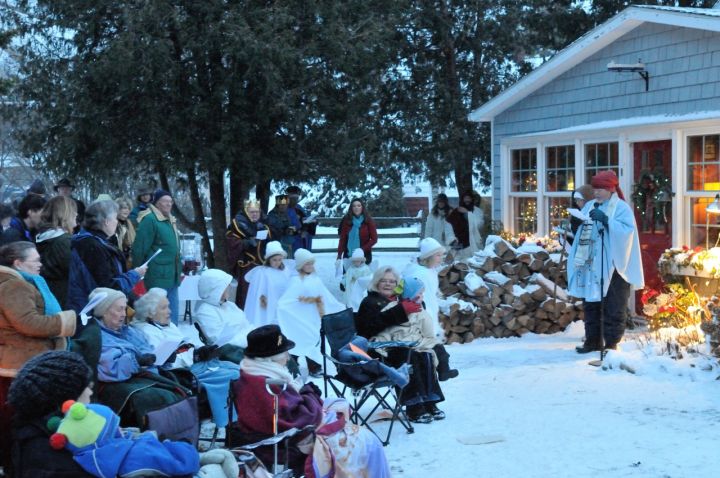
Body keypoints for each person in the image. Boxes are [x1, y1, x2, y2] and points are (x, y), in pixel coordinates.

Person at [7, 350, 201, 478]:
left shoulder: (51, 434)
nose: (91, 393)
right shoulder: (52, 454)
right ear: (67, 399)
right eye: (87, 388)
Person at [233, 325, 391, 477]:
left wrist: (304, 394)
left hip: (279, 435)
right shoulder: (268, 384)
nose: (288, 357)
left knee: (341, 405)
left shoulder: (251, 372)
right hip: (283, 445)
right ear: (269, 357)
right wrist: (308, 393)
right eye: (283, 352)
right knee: (368, 443)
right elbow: (304, 418)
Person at [0, 242, 76, 472]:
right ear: (18, 263)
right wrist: (64, 322)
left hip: (17, 362)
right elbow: (28, 322)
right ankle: (15, 465)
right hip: (19, 365)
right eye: (35, 260)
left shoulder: (14, 283)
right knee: (16, 422)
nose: (41, 264)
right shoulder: (14, 286)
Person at [133, 288, 239, 428]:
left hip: (194, 365)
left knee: (237, 368)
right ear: (150, 313)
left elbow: (184, 343)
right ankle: (230, 421)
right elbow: (165, 360)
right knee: (232, 375)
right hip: (180, 373)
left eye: (169, 306)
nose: (170, 311)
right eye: (164, 308)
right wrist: (196, 356)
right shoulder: (146, 331)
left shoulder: (167, 325)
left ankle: (237, 417)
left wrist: (201, 350)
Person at [355, 266, 446, 424]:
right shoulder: (369, 302)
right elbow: (367, 330)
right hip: (376, 351)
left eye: (392, 281)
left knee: (423, 353)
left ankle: (429, 400)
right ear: (376, 282)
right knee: (407, 355)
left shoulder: (397, 299)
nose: (388, 284)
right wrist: (400, 311)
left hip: (399, 345)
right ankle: (413, 406)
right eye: (384, 281)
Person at [567, 170, 644, 353]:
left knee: (614, 305)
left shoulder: (622, 208)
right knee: (591, 303)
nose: (596, 193)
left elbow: (627, 233)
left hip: (614, 265)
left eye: (601, 189)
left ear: (610, 189)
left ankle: (611, 344)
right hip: (592, 264)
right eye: (595, 189)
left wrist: (607, 221)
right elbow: (583, 229)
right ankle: (592, 341)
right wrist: (576, 223)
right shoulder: (590, 205)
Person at [91, 287, 190, 426]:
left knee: (183, 386)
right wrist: (136, 361)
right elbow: (109, 369)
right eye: (119, 309)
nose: (124, 314)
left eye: (124, 309)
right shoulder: (98, 336)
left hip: (145, 378)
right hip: (119, 385)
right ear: (104, 312)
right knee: (162, 398)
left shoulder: (128, 331)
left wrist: (162, 357)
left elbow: (147, 349)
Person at [67, 199, 146, 315]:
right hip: (92, 315)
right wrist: (135, 275)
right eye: (115, 218)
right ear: (106, 221)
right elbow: (107, 287)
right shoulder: (90, 246)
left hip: (100, 312)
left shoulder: (97, 243)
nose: (117, 222)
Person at [372, 274, 458, 381]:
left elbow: (426, 327)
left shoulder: (417, 308)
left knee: (438, 348)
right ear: (410, 294)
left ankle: (444, 371)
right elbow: (392, 327)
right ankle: (437, 374)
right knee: (428, 350)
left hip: (413, 339)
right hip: (402, 341)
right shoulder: (399, 307)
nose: (422, 296)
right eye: (420, 293)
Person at [277, 248, 345, 373]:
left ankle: (313, 365)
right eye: (307, 263)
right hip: (301, 319)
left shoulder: (315, 278)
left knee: (315, 341)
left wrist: (337, 306)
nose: (310, 266)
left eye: (311, 263)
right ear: (301, 265)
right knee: (301, 340)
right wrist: (305, 302)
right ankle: (293, 365)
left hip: (315, 317)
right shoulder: (295, 280)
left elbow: (324, 295)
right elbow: (285, 302)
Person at [132, 189, 182, 325]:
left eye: (170, 201)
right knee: (158, 317)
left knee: (172, 317)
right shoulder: (150, 220)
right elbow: (139, 249)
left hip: (173, 276)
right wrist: (138, 274)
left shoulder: (170, 220)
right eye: (165, 201)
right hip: (156, 277)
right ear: (157, 203)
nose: (168, 204)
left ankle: (174, 343)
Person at [195, 268, 253, 358]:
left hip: (245, 346)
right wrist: (247, 336)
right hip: (230, 353)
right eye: (226, 286)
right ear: (217, 289)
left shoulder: (230, 305)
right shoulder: (205, 311)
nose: (229, 288)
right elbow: (217, 340)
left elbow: (246, 325)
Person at [226, 198, 272, 308]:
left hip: (262, 264)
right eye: (252, 212)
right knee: (246, 292)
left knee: (261, 291)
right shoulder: (237, 224)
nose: (255, 214)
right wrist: (246, 243)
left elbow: (270, 241)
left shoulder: (263, 224)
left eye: (257, 212)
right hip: (247, 264)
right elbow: (230, 241)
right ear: (246, 212)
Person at [35, 196, 77, 306]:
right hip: (63, 299)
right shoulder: (63, 241)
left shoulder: (42, 236)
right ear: (65, 215)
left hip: (49, 296)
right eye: (73, 212)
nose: (76, 215)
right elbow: (75, 272)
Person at [404, 237, 447, 336]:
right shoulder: (419, 274)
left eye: (441, 255)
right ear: (428, 257)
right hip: (422, 318)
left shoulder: (431, 271)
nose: (441, 258)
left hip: (431, 314)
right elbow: (418, 299)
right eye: (438, 255)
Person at [244, 240, 292, 327]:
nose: (277, 262)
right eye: (274, 260)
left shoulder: (286, 271)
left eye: (280, 260)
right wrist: (263, 301)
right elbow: (260, 290)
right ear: (268, 259)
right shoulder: (262, 273)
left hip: (281, 302)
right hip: (267, 302)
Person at [337, 197, 377, 265]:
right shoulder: (346, 220)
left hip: (364, 255)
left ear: (362, 207)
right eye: (354, 206)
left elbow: (374, 239)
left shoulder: (368, 220)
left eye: (359, 205)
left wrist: (361, 249)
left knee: (363, 275)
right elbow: (342, 239)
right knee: (348, 275)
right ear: (351, 208)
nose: (356, 208)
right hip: (348, 254)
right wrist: (339, 255)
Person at [446, 190, 484, 255]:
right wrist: (452, 240)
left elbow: (478, 225)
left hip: (473, 246)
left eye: (469, 198)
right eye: (465, 198)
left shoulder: (478, 211)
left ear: (472, 199)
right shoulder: (456, 211)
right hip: (459, 247)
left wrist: (467, 213)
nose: (467, 200)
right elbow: (448, 225)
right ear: (462, 199)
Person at [286, 185, 317, 252]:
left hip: (302, 240)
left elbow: (304, 220)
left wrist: (311, 223)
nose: (295, 200)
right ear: (288, 197)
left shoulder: (298, 207)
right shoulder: (283, 208)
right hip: (291, 241)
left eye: (297, 198)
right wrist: (299, 231)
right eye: (293, 198)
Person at [114, 197, 136, 264]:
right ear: (117, 209)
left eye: (128, 208)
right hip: (116, 259)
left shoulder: (129, 223)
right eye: (124, 208)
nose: (127, 210)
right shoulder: (113, 224)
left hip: (127, 259)